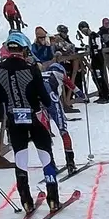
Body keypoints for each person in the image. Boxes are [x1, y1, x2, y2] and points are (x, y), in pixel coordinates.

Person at [0, 33, 66, 215]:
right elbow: (44, 97)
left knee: (21, 157)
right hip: (34, 116)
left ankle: (25, 199)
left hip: (13, 118)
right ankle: (53, 198)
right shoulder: (31, 68)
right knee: (45, 154)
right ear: (24, 50)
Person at [36, 39, 79, 177]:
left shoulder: (42, 74)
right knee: (63, 130)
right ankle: (70, 162)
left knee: (45, 134)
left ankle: (50, 164)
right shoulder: (60, 74)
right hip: (53, 102)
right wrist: (82, 96)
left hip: (40, 103)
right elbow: (72, 86)